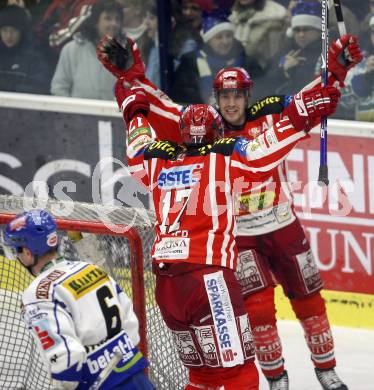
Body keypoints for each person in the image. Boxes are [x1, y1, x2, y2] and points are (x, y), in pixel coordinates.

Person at [96, 27, 362, 390]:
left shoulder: (168, 157)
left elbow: (304, 99)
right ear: (215, 100)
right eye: (225, 96)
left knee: (307, 298)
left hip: (273, 227)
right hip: (234, 245)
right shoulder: (223, 150)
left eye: (238, 95)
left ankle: (326, 371)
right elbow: (289, 123)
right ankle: (276, 379)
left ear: (247, 95)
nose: (232, 102)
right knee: (257, 319)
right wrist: (135, 80)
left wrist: (338, 71)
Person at [3, 209, 154, 390]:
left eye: (16, 251)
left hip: (99, 384)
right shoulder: (90, 268)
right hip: (136, 376)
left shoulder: (37, 294)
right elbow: (130, 325)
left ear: (27, 252)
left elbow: (66, 360)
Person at [51, 0, 124, 99]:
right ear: (96, 22)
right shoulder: (71, 50)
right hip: (77, 112)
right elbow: (59, 88)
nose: (114, 24)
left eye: (117, 19)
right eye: (108, 18)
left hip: (111, 113)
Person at [170, 11, 247, 104]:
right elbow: (180, 94)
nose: (225, 41)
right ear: (208, 40)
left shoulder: (245, 61)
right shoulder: (190, 63)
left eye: (228, 36)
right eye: (219, 37)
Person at [0, 4, 51, 94]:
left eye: (14, 30)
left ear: (22, 31)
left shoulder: (35, 55)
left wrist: (8, 86)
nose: (8, 36)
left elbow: (40, 88)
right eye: (4, 30)